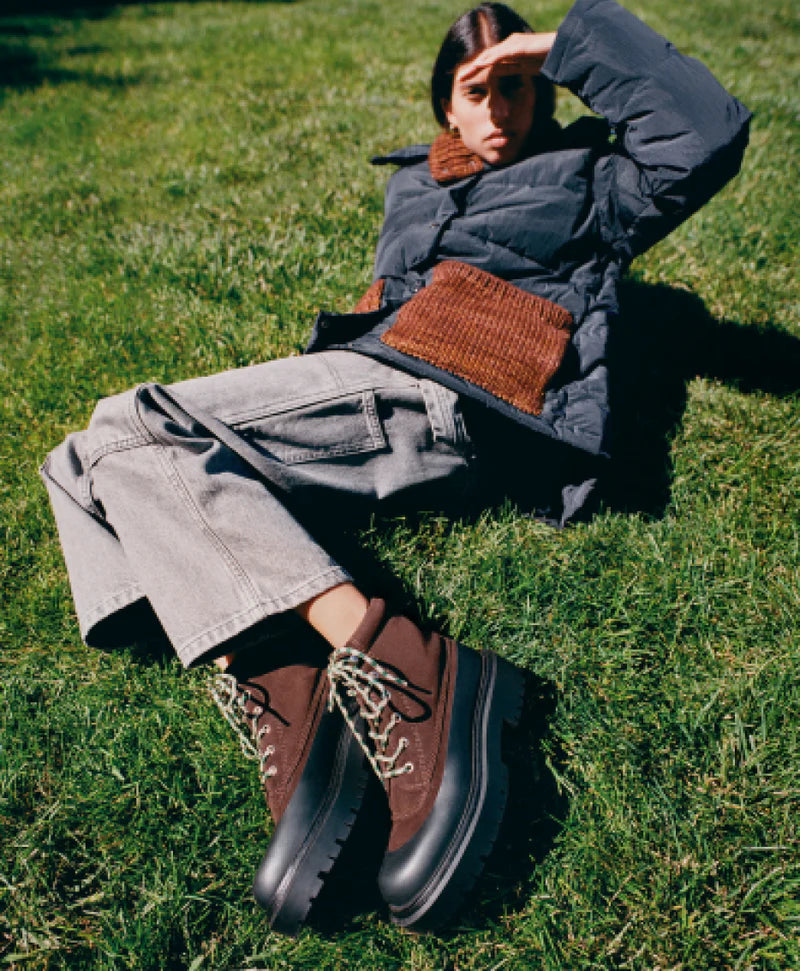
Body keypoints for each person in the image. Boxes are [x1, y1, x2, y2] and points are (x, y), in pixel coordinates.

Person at [40, 0, 750, 935]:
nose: (500, 109)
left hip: (458, 398)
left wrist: (566, 45)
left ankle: (405, 666)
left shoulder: (594, 176)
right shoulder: (417, 182)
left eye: (519, 86)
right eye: (478, 90)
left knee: (130, 428)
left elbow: (708, 130)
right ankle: (290, 689)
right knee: (77, 461)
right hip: (375, 381)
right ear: (445, 109)